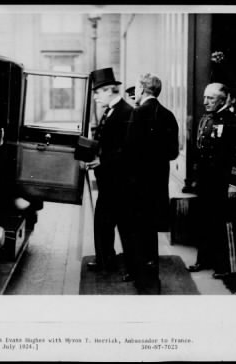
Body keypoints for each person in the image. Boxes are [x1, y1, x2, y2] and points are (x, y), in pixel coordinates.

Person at [123, 73, 179, 294]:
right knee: (150, 235)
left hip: (137, 187)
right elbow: (173, 153)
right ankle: (152, 279)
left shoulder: (138, 114)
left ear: (142, 89)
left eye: (136, 88)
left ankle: (144, 283)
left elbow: (129, 153)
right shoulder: (168, 115)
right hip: (157, 187)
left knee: (138, 234)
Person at [187, 83, 236, 279]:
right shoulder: (206, 119)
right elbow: (200, 151)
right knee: (204, 221)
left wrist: (234, 184)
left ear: (223, 99)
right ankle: (204, 259)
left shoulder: (233, 121)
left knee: (223, 223)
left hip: (223, 181)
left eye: (211, 98)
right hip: (206, 181)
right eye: (205, 97)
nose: (205, 102)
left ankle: (226, 266)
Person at [85, 67, 133, 272]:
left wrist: (102, 160)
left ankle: (113, 261)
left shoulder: (125, 112)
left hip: (118, 180)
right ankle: (107, 259)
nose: (95, 97)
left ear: (108, 90)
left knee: (112, 221)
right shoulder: (111, 110)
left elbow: (127, 148)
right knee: (104, 221)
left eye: (97, 92)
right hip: (109, 178)